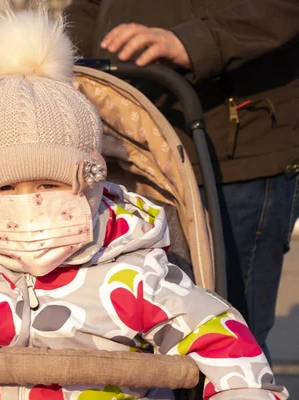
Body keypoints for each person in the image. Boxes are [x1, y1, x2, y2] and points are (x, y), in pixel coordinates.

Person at [0, 10, 288, 400]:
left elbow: (220, 336)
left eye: (48, 182)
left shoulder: (134, 274)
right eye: (4, 189)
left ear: (90, 186)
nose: (28, 205)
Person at [63, 0, 299, 360]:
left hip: (233, 151)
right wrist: (66, 64)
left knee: (231, 333)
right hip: (128, 147)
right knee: (132, 331)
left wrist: (197, 42)